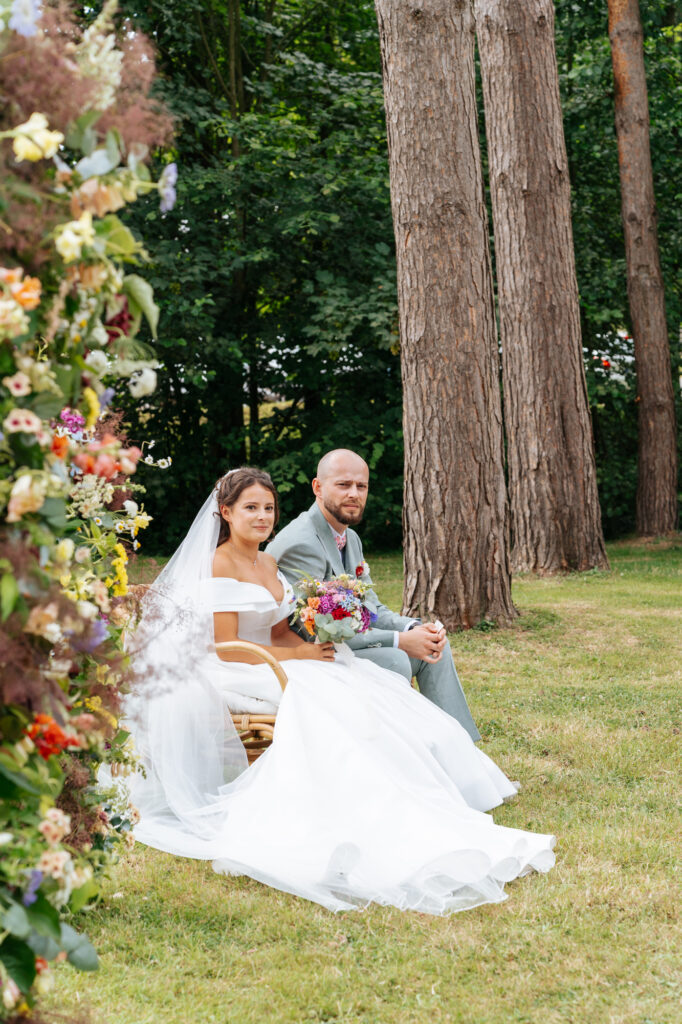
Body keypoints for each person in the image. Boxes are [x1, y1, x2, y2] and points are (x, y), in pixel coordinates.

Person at [125, 467, 555, 915]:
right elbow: (227, 647)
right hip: (238, 669)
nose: (262, 517)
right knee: (328, 701)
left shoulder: (268, 562)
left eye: (268, 508)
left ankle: (407, 793)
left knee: (361, 683)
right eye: (250, 508)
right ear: (226, 512)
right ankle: (350, 806)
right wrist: (301, 660)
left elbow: (278, 632)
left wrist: (315, 647)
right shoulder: (220, 563)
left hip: (277, 657)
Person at [267, 449, 480, 740]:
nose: (354, 493)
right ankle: (404, 753)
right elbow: (313, 632)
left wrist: (412, 628)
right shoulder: (302, 543)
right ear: (318, 487)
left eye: (361, 486)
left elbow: (371, 608)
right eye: (343, 485)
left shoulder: (349, 537)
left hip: (344, 646)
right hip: (309, 655)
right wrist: (399, 641)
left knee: (435, 648)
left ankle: (459, 751)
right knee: (396, 659)